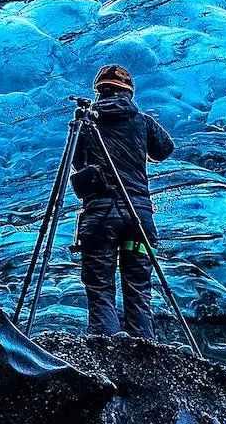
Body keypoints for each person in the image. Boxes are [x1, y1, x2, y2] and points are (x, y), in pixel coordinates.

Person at [71, 63, 175, 338]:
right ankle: (144, 352)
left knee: (100, 285)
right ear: (128, 93)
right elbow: (165, 149)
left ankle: (107, 349)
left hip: (101, 218)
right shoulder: (142, 121)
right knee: (139, 284)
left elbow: (77, 162)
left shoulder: (87, 124)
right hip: (138, 217)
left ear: (99, 92)